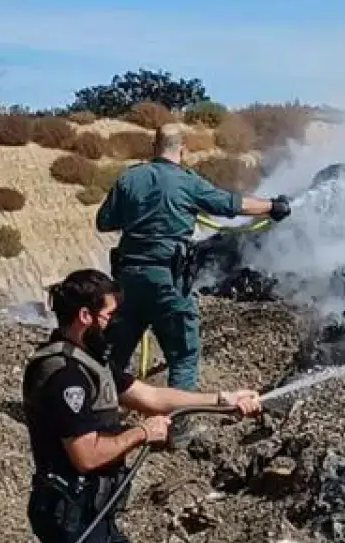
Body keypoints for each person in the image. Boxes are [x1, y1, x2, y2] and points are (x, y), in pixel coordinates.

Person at [21, 268, 264, 543]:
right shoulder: (63, 375)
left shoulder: (94, 361)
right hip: (73, 512)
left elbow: (152, 397)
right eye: (109, 313)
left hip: (100, 514)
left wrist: (222, 400)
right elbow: (87, 456)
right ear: (85, 315)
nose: (116, 320)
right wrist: (140, 435)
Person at [95, 123, 290, 398]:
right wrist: (273, 206)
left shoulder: (130, 178)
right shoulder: (187, 182)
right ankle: (179, 429)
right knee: (183, 357)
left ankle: (100, 415)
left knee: (113, 354)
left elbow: (104, 222)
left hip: (128, 281)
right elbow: (231, 205)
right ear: (182, 150)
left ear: (154, 148)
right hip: (169, 283)